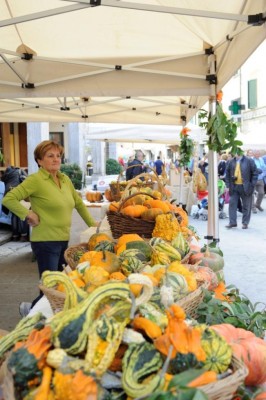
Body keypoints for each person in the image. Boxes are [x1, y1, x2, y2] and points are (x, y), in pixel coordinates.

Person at [2, 140, 96, 317]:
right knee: (51, 285)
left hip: (62, 239)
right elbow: (9, 199)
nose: (56, 159)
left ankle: (41, 313)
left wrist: (94, 226)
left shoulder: (64, 179)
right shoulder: (35, 180)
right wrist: (28, 214)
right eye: (50, 156)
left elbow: (79, 204)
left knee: (58, 284)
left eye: (58, 156)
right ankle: (31, 313)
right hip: (45, 241)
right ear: (39, 160)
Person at [225, 152, 258, 229]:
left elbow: (255, 173)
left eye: (238, 151)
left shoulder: (249, 161)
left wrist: (252, 185)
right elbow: (227, 174)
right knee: (232, 204)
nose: (237, 153)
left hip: (246, 187)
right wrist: (227, 185)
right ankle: (232, 222)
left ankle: (245, 223)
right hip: (234, 186)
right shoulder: (230, 161)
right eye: (235, 152)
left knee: (246, 206)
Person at [1, 166, 29, 241]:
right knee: (22, 214)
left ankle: (15, 235)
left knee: (14, 214)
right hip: (18, 193)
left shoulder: (7, 174)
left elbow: (4, 181)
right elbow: (26, 180)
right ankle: (24, 235)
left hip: (8, 193)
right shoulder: (20, 171)